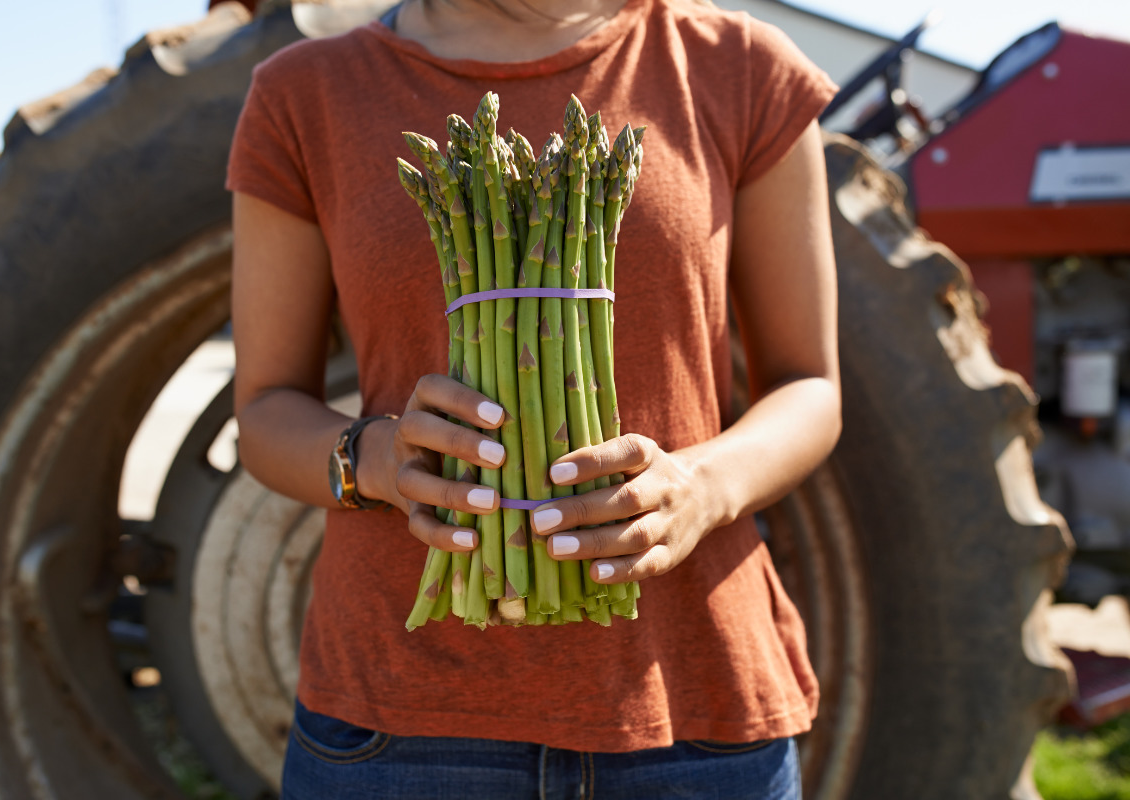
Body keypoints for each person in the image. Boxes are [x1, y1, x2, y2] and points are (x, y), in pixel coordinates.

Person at [226, 0, 840, 796]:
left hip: (691, 704)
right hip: (402, 725)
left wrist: (700, 488)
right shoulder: (303, 93)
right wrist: (375, 459)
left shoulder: (740, 64)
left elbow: (811, 387)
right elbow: (267, 409)